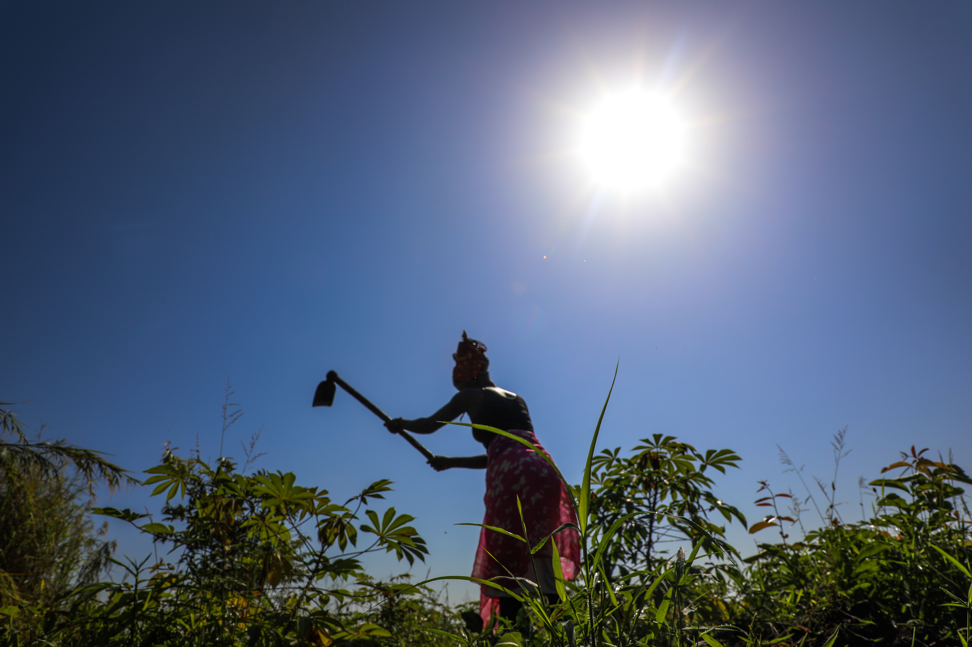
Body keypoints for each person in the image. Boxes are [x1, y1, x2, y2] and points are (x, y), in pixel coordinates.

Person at [385, 332, 581, 627]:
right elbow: (510, 450)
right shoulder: (517, 399)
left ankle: (513, 630)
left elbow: (429, 425)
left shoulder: (470, 395)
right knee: (541, 547)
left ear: (467, 377)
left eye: (459, 382)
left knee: (506, 547)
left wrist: (400, 424)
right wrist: (451, 463)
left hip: (511, 474)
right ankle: (565, 629)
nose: (459, 388)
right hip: (543, 468)